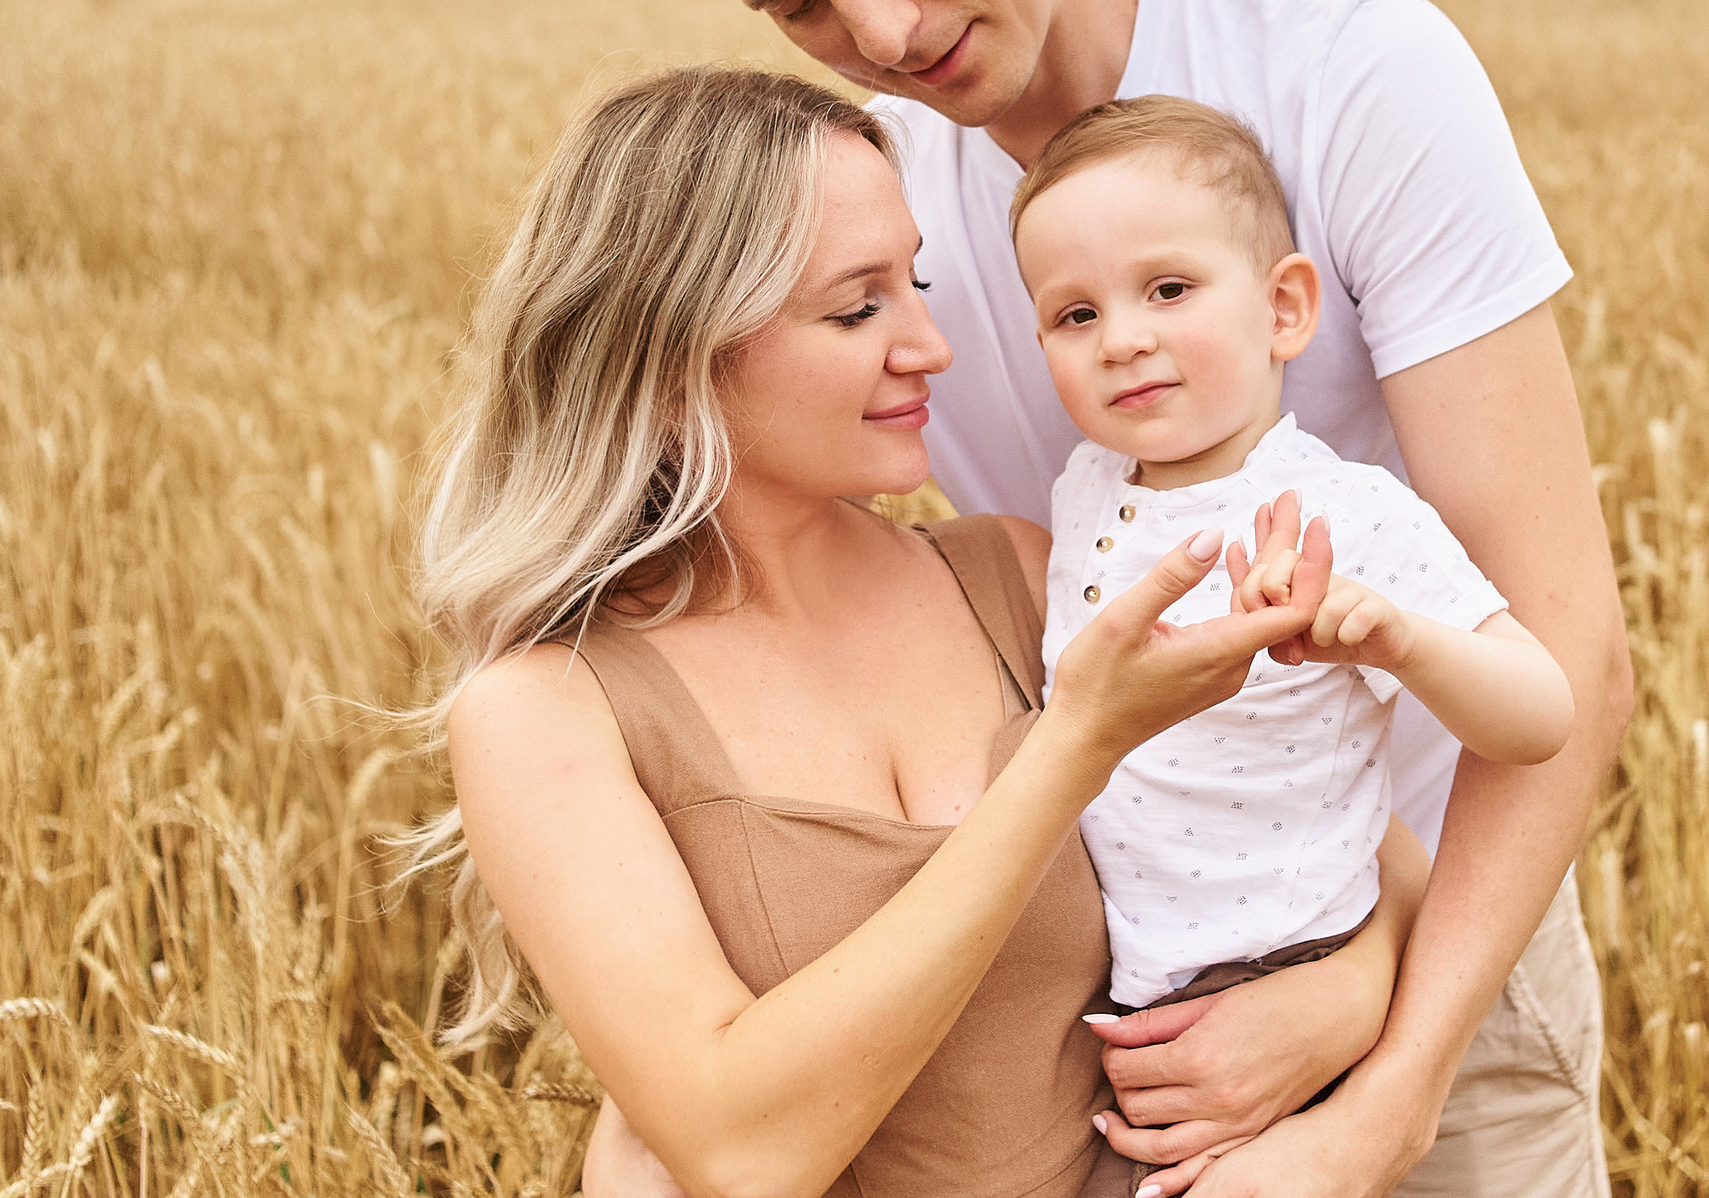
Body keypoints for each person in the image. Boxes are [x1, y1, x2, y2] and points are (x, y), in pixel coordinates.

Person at [607, 0, 1632, 1198]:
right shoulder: (880, 212)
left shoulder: (1352, 74)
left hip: (1450, 944)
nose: (877, 33)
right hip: (1112, 991)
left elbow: (1567, 649)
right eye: (795, 4)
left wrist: (1384, 1075)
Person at [416, 67, 1422, 1198]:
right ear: (665, 359)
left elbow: (1347, 828)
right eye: (858, 307)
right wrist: (1071, 747)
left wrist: (1347, 988)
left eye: (918, 282)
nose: (930, 345)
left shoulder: (1026, 574)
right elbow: (743, 1151)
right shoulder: (545, 711)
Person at [1010, 95, 1575, 1015]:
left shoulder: (1342, 513)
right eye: (1075, 314)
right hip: (1127, 981)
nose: (1122, 339)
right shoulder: (1087, 487)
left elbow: (1542, 714)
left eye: (1168, 289)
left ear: (1284, 307)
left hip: (1285, 968)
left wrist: (1398, 641)